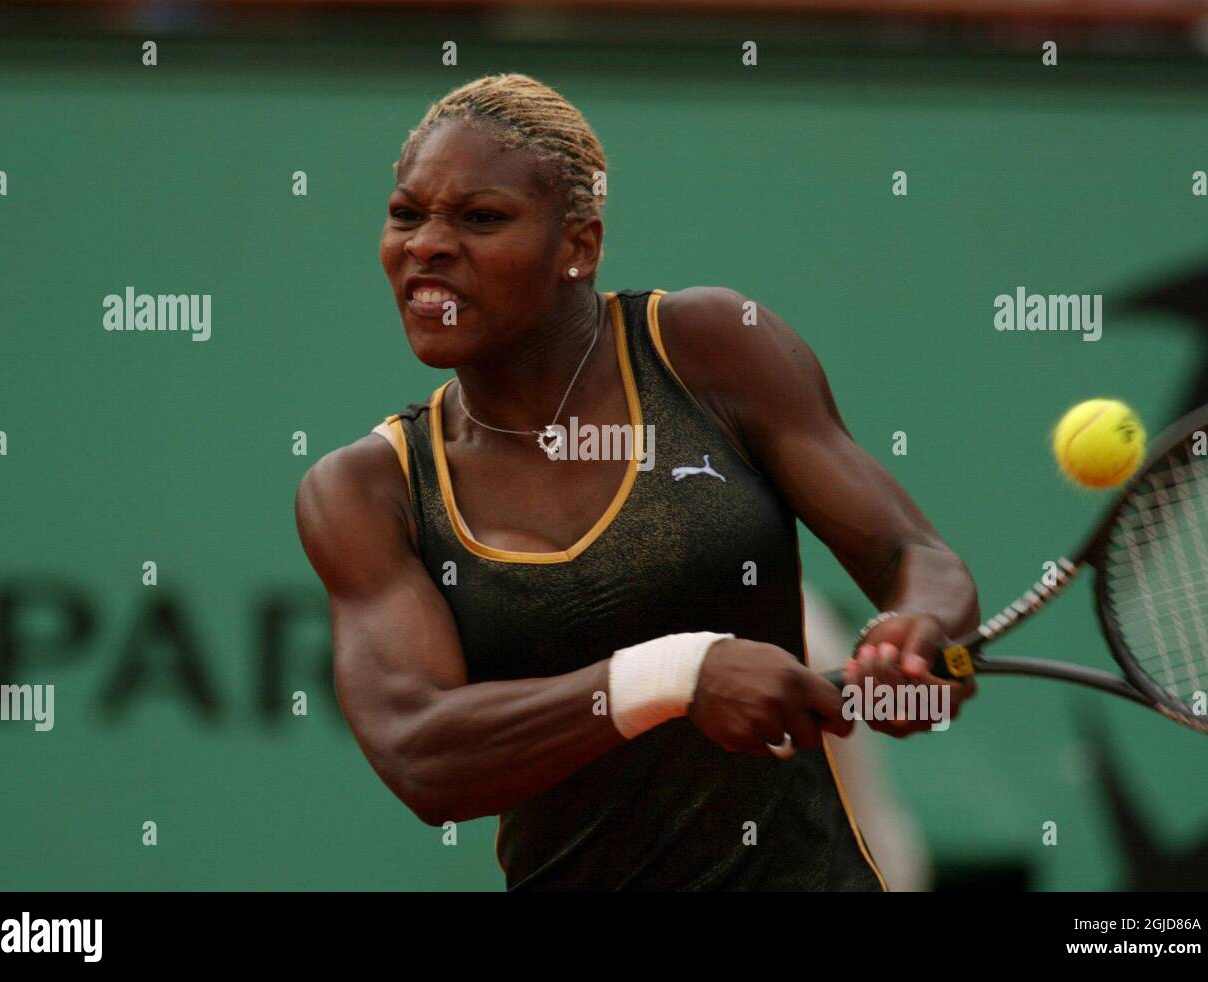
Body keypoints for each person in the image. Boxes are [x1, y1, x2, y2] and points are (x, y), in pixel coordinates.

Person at [296, 73, 978, 890]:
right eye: (407, 214)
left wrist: (915, 635)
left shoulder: (710, 348)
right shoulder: (366, 491)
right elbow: (422, 753)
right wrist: (676, 678)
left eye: (481, 218)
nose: (426, 245)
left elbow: (913, 553)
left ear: (578, 248)